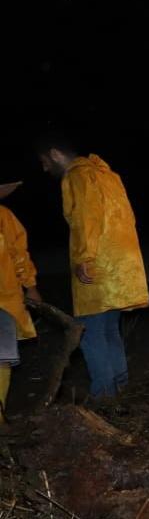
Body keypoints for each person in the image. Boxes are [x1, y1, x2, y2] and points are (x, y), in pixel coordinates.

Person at [36, 138, 149, 399]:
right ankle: (122, 392)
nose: (44, 169)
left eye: (44, 162)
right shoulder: (107, 175)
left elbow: (86, 218)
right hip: (120, 269)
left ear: (55, 153)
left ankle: (104, 398)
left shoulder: (77, 176)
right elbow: (128, 218)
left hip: (97, 267)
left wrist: (83, 258)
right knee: (109, 330)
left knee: (89, 332)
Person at [0, 180, 41, 423]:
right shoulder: (4, 216)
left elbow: (18, 255)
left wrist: (30, 285)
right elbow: (19, 255)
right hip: (3, 299)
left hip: (3, 299)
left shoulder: (4, 217)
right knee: (1, 358)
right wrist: (31, 287)